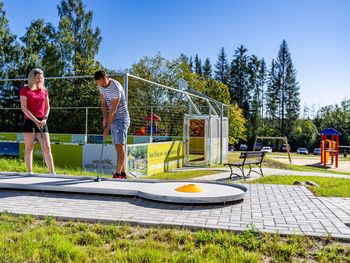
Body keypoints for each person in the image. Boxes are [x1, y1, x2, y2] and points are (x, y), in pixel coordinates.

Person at [94, 70, 130, 179]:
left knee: (120, 145)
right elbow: (103, 104)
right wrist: (105, 117)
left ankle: (118, 174)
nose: (102, 85)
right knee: (118, 146)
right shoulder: (101, 86)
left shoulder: (115, 88)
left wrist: (107, 128)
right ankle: (123, 174)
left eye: (103, 82)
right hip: (112, 118)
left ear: (107, 77)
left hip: (121, 118)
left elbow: (113, 110)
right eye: (99, 84)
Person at [19, 68, 55, 175]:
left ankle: (52, 173)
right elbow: (24, 108)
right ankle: (30, 172)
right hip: (29, 120)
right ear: (32, 77)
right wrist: (35, 120)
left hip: (42, 121)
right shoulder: (25, 89)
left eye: (41, 77)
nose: (40, 79)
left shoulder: (44, 91)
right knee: (29, 147)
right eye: (37, 77)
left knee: (47, 147)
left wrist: (45, 118)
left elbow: (48, 107)